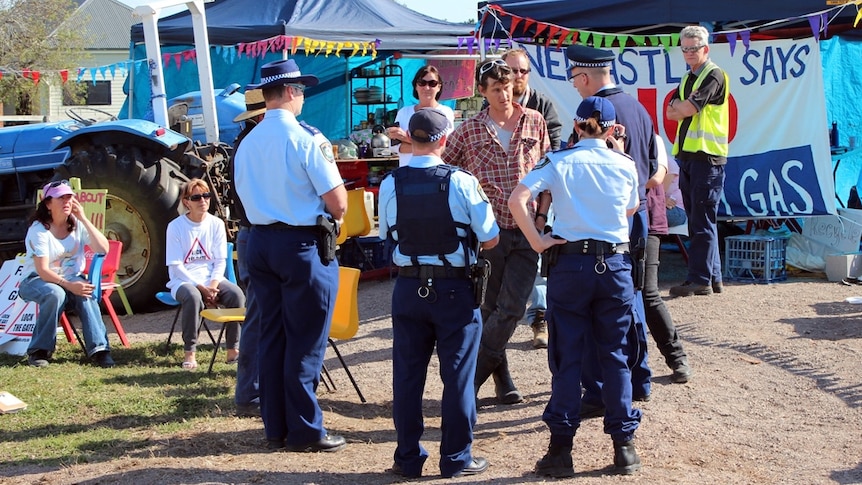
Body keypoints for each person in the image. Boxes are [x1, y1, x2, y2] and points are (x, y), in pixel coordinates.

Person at [508, 97, 642, 477]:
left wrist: (537, 241)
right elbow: (630, 209)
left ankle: (561, 450)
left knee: (567, 357)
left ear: (577, 126)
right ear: (613, 130)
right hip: (614, 262)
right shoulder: (625, 165)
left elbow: (518, 198)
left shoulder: (560, 161)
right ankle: (624, 447)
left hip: (571, 263)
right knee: (615, 354)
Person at [234, 59, 348, 453]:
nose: (302, 96)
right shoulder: (306, 137)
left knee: (273, 335)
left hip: (261, 241)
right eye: (300, 89)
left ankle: (276, 426)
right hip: (300, 245)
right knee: (306, 339)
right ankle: (305, 429)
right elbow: (338, 204)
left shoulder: (247, 141)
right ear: (289, 93)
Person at [379, 108, 499, 478]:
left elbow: (386, 235)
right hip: (453, 288)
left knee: (408, 376)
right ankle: (456, 458)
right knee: (458, 376)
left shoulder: (390, 182)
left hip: (409, 286)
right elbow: (491, 237)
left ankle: (407, 457)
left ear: (409, 138)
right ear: (445, 139)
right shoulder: (462, 181)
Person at [443, 59, 550, 406]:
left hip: (528, 226)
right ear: (482, 91)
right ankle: (501, 380)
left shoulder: (534, 120)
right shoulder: (469, 130)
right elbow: (447, 172)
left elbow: (549, 172)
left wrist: (542, 217)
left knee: (512, 308)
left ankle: (470, 381)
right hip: (488, 230)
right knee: (488, 308)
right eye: (496, 89)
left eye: (508, 86)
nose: (504, 94)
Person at [565, 44, 654, 411]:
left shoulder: (595, 115)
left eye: (574, 79)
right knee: (631, 301)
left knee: (596, 310)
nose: (574, 87)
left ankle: (601, 389)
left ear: (585, 77)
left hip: (605, 223)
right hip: (637, 214)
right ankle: (640, 377)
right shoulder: (638, 108)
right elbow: (652, 163)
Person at [501, 47, 563, 349]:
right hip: (501, 209)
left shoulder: (543, 107)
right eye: (512, 70)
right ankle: (500, 323)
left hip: (536, 202)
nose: (518, 76)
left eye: (523, 70)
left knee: (537, 265)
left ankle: (540, 318)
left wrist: (541, 211)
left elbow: (550, 159)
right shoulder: (491, 112)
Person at [19, 180, 115, 368]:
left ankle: (100, 350)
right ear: (48, 204)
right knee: (55, 293)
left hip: (71, 278)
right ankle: (39, 351)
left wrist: (84, 219)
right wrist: (70, 285)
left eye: (69, 197)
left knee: (85, 292)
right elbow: (43, 271)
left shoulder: (77, 224)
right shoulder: (38, 230)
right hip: (37, 280)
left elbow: (103, 249)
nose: (66, 202)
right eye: (60, 198)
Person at [666, 25, 730, 297]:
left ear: (706, 48)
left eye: (694, 48)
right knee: (698, 218)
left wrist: (681, 108)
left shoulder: (713, 74)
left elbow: (686, 109)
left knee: (702, 219)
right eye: (685, 48)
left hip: (708, 157)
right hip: (689, 156)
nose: (689, 52)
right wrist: (679, 108)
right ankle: (712, 277)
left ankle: (699, 279)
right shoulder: (688, 77)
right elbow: (671, 113)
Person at [165, 178, 245, 371]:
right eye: (196, 197)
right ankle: (189, 352)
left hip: (212, 279)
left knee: (237, 295)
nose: (203, 200)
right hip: (183, 280)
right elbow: (176, 266)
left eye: (206, 195)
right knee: (192, 296)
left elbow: (220, 261)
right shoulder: (175, 226)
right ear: (186, 202)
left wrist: (214, 285)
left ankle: (233, 350)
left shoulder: (216, 224)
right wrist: (201, 287)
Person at [228, 89, 266, 417]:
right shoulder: (252, 146)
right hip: (256, 232)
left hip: (250, 232)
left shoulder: (244, 143)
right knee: (257, 315)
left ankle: (254, 389)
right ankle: (250, 392)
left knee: (258, 313)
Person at [643, 139, 693, 384]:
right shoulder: (588, 139)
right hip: (612, 227)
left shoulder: (654, 140)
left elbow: (658, 180)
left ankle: (676, 358)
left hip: (647, 220)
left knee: (648, 294)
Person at [388, 65, 455, 167]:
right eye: (422, 83)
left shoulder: (445, 112)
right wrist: (430, 145)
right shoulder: (403, 112)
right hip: (408, 175)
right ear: (416, 86)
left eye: (432, 83)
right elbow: (394, 147)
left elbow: (444, 147)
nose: (426, 88)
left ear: (439, 87)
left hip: (436, 173)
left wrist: (406, 139)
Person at [665, 157, 688, 227]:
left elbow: (660, 193)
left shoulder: (668, 163)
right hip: (658, 205)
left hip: (676, 210)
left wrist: (661, 200)